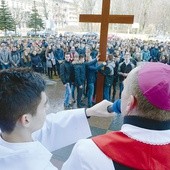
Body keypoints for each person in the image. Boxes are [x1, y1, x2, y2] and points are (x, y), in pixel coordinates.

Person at [62, 62, 170, 170]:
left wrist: (88, 112)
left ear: (130, 103)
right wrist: (89, 111)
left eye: (124, 88)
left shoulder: (88, 152)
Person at [0, 68, 113, 170]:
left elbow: (49, 126)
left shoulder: (12, 134)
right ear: (26, 120)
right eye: (44, 105)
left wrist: (89, 112)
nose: (48, 108)